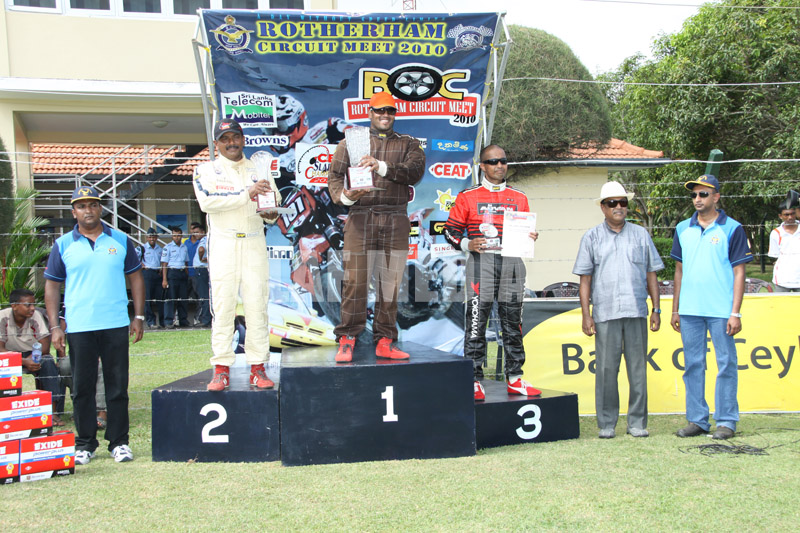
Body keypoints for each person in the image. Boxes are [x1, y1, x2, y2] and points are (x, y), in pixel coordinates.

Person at [44, 185, 145, 465]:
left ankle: (119, 442)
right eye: (81, 206)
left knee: (117, 386)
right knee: (82, 387)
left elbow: (135, 278)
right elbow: (52, 285)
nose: (88, 210)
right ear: (73, 211)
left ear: (100, 208)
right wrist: (54, 326)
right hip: (79, 326)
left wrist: (138, 317)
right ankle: (85, 443)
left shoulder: (121, 240)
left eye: (93, 205)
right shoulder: (63, 244)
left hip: (114, 323)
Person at [327, 92, 426, 362]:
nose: (385, 115)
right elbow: (335, 177)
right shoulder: (350, 141)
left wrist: (380, 166)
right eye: (380, 110)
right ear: (370, 113)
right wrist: (346, 197)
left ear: (395, 114)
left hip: (395, 218)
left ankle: (385, 340)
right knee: (354, 281)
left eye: (390, 111)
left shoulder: (409, 144)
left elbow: (414, 172)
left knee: (390, 283)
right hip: (360, 216)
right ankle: (347, 337)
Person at [443, 144, 540, 401]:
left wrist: (531, 236)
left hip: (511, 263)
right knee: (477, 320)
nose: (499, 166)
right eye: (493, 161)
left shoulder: (519, 197)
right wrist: (467, 244)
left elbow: (525, 232)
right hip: (481, 263)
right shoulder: (467, 196)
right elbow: (449, 231)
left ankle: (515, 378)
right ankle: (474, 379)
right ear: (482, 166)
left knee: (512, 323)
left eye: (503, 161)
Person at [193, 118, 280, 391]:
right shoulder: (206, 170)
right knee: (223, 306)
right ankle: (221, 369)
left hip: (254, 242)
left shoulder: (259, 167)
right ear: (216, 143)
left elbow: (273, 208)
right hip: (224, 243)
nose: (231, 143)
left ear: (243, 139)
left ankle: (258, 367)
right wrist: (247, 193)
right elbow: (208, 202)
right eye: (225, 138)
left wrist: (270, 212)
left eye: (236, 137)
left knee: (257, 306)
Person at [573, 182, 664, 438]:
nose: (618, 207)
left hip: (636, 311)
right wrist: (586, 314)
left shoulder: (641, 235)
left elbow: (651, 274)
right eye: (612, 203)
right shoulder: (591, 237)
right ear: (602, 207)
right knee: (605, 371)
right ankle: (606, 423)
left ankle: (637, 423)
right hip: (605, 313)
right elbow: (585, 279)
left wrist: (656, 309)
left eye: (622, 202)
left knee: (638, 371)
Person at [670, 174, 753, 440]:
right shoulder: (683, 228)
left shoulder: (732, 228)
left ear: (716, 197)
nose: (697, 199)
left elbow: (739, 272)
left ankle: (726, 421)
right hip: (690, 310)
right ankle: (697, 420)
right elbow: (678, 270)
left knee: (726, 364)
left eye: (703, 194)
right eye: (694, 195)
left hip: (721, 311)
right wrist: (675, 309)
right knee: (693, 365)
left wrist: (735, 312)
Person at [0, 288, 65, 426]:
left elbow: (45, 347)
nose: (32, 308)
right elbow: (0, 349)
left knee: (47, 361)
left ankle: (51, 413)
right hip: (9, 355)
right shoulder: (3, 317)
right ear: (14, 306)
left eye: (33, 304)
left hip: (32, 354)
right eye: (28, 305)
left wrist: (31, 358)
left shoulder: (35, 316)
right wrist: (22, 361)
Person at [767, 199, 800, 292]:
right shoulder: (776, 233)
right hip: (782, 280)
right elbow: (775, 256)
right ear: (780, 216)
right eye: (786, 215)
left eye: (793, 214)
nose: (790, 217)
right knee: (781, 306)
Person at [161, 226, 190, 328]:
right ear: (172, 236)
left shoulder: (184, 247)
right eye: (174, 235)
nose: (176, 237)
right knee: (170, 298)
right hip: (172, 273)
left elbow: (186, 262)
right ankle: (168, 321)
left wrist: (187, 275)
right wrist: (164, 279)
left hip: (182, 273)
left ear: (181, 236)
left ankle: (183, 320)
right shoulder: (167, 247)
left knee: (183, 299)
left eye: (178, 235)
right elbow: (164, 264)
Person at [141, 227, 165, 327]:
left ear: (156, 238)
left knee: (160, 299)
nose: (152, 239)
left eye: (154, 237)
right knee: (148, 298)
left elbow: (163, 262)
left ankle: (163, 321)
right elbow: (135, 260)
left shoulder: (160, 248)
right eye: (150, 237)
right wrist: (143, 266)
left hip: (158, 273)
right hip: (148, 273)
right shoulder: (142, 248)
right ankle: (151, 321)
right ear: (147, 238)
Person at [192, 225, 211, 327]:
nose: (195, 234)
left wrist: (201, 258)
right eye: (194, 232)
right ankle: (206, 318)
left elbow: (201, 250)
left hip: (202, 269)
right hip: (204, 270)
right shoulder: (209, 238)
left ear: (203, 231)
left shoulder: (204, 239)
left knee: (204, 295)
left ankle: (205, 319)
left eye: (197, 232)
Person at [186, 222, 203, 325]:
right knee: (183, 297)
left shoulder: (201, 241)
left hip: (197, 273)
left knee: (199, 297)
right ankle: (180, 319)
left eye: (195, 230)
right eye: (192, 229)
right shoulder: (185, 242)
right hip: (187, 273)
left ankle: (197, 318)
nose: (193, 231)